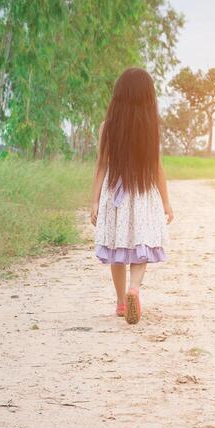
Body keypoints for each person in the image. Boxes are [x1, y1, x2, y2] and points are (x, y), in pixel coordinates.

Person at [90, 68, 173, 324]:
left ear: (119, 95)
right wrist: (166, 202)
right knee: (142, 245)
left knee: (117, 248)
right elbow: (157, 167)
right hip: (143, 192)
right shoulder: (150, 128)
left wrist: (94, 201)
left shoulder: (107, 127)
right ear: (148, 97)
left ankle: (119, 303)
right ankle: (134, 288)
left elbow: (101, 166)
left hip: (115, 193)